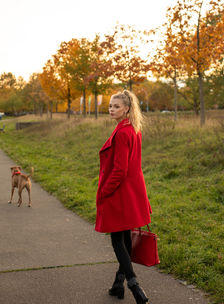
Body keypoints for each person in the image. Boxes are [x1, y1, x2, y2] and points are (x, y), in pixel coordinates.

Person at [95, 90, 152, 304]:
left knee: (117, 240)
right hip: (133, 191)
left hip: (120, 192)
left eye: (116, 106)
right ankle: (118, 283)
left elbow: (120, 170)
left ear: (127, 108)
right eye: (110, 106)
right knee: (126, 238)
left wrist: (104, 191)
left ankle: (134, 284)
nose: (111, 109)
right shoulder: (133, 129)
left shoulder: (123, 133)